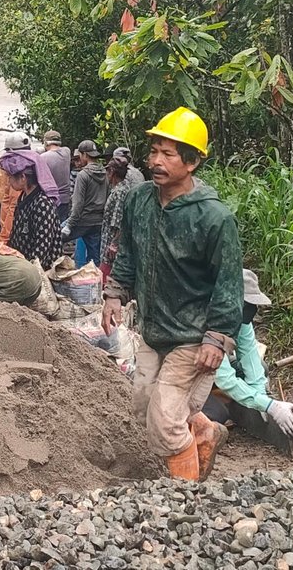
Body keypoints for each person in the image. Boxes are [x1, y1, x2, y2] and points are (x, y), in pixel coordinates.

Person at [101, 107, 242, 482]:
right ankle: (204, 430)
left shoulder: (214, 218)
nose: (156, 161)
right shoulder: (139, 201)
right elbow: (127, 251)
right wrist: (113, 293)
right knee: (145, 405)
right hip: (155, 327)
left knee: (163, 422)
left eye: (168, 154)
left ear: (192, 162)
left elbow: (229, 284)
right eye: (153, 151)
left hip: (193, 336)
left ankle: (185, 500)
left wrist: (217, 337)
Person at [208, 270, 293, 438]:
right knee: (216, 414)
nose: (250, 309)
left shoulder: (242, 319)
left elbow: (251, 358)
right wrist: (271, 406)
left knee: (262, 368)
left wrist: (261, 398)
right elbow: (224, 378)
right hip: (191, 372)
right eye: (246, 303)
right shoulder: (209, 318)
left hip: (216, 369)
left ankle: (235, 401)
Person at [0, 149, 64, 268]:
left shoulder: (42, 203)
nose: (8, 181)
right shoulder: (23, 197)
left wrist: (30, 271)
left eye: (10, 177)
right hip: (23, 264)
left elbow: (43, 245)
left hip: (41, 269)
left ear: (23, 178)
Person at [99, 151, 145, 284]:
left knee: (106, 280)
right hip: (110, 244)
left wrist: (113, 244)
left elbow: (119, 222)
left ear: (112, 172)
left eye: (108, 171)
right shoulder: (121, 189)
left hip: (111, 248)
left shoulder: (120, 192)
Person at [68, 140, 109, 267]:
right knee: (94, 259)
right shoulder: (105, 173)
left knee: (54, 237)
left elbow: (78, 203)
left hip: (82, 220)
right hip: (98, 221)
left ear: (84, 155)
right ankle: (95, 283)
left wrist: (69, 225)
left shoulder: (83, 175)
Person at [40, 131, 74, 206]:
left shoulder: (43, 157)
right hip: (65, 199)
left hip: (51, 199)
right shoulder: (67, 152)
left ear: (46, 142)